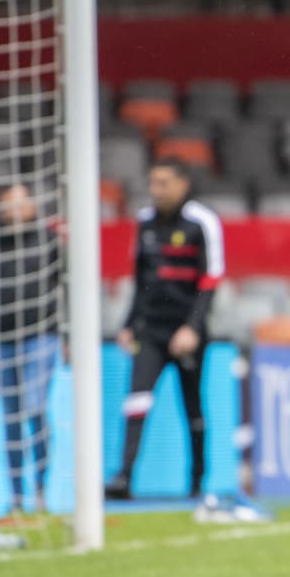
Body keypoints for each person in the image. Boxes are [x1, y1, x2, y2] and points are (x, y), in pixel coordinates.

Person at [105, 157, 224, 502]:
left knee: (192, 405)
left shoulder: (202, 222)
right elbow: (140, 278)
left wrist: (192, 329)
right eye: (153, 183)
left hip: (187, 332)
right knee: (137, 399)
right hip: (151, 331)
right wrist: (130, 324)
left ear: (183, 183)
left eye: (163, 183)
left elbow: (211, 280)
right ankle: (124, 478)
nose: (156, 190)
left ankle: (198, 482)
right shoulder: (145, 222)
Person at [0, 183, 64, 515]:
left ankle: (41, 490)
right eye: (8, 205)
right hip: (2, 340)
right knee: (11, 419)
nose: (14, 211)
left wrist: (71, 337)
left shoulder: (49, 241)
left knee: (35, 409)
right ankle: (17, 497)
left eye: (20, 203)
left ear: (31, 204)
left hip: (42, 336)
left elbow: (70, 288)